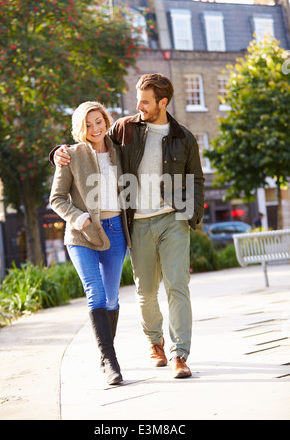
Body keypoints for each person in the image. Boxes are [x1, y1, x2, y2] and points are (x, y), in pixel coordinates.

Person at [52, 74, 205, 379]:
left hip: (172, 218)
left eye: (145, 101)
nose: (138, 106)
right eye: (137, 99)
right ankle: (155, 343)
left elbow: (196, 179)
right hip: (136, 222)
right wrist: (56, 153)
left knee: (177, 286)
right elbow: (87, 143)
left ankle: (179, 354)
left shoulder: (184, 137)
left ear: (162, 102)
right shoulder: (126, 128)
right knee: (145, 292)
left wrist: (192, 215)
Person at [49, 101, 131, 385]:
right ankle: (110, 361)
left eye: (99, 121)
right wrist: (79, 217)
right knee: (95, 293)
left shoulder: (120, 152)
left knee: (111, 298)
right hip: (81, 233)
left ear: (107, 120)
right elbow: (56, 198)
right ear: (80, 128)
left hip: (116, 231)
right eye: (88, 124)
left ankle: (104, 354)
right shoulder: (70, 155)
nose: (95, 128)